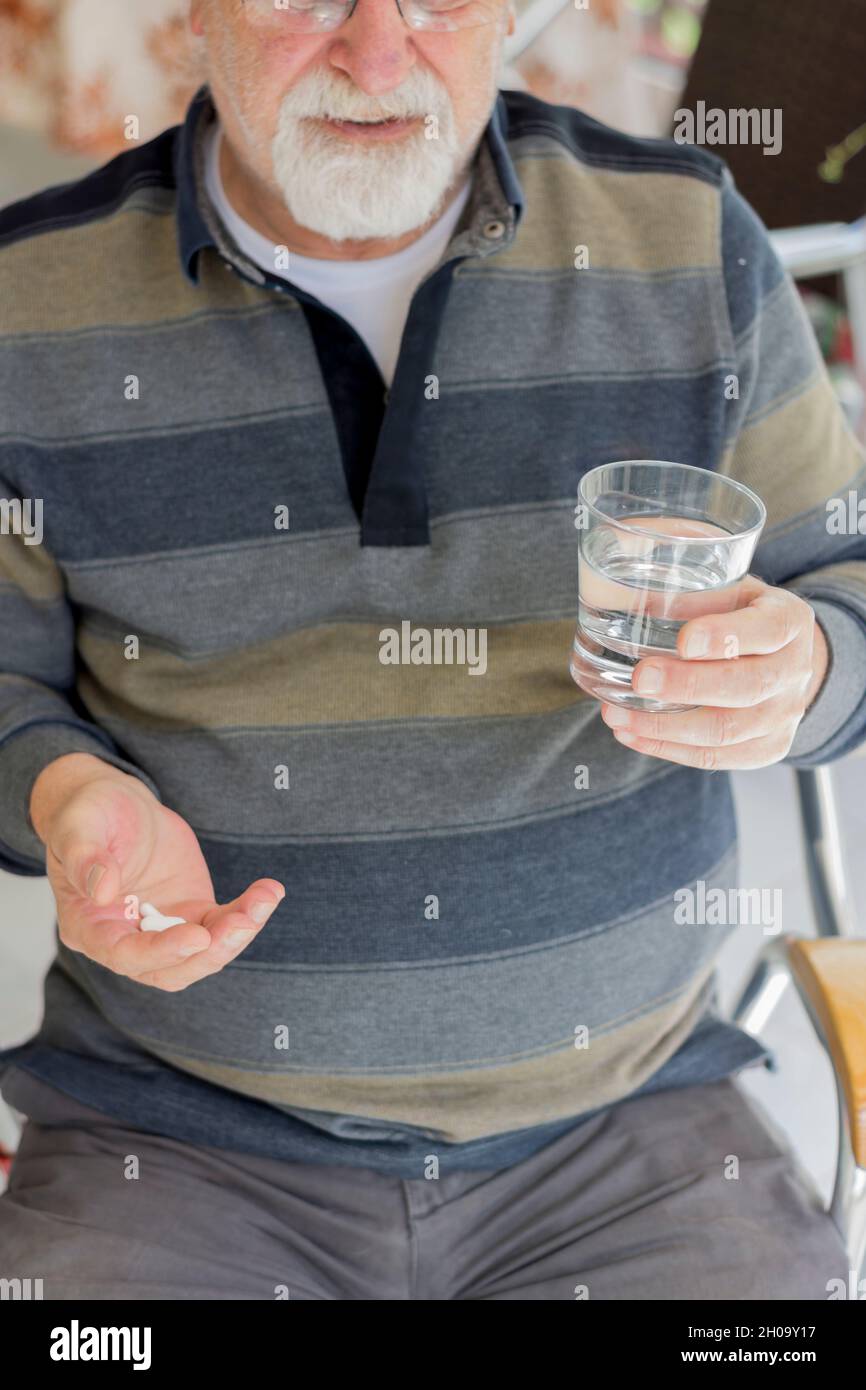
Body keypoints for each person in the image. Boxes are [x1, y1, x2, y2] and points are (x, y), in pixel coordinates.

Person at [0, 0, 862, 1300]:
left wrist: (805, 666)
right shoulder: (26, 303)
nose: (377, 53)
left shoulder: (686, 242)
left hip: (626, 1135)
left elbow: (844, 586)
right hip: (175, 1141)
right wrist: (64, 793)